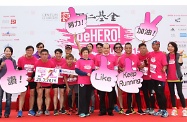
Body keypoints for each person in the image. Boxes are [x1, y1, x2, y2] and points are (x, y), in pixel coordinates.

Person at [118, 42, 145, 115]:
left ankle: (139, 109)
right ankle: (129, 109)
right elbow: (119, 67)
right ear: (124, 49)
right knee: (129, 94)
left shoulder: (135, 56)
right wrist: (122, 69)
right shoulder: (122, 57)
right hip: (127, 78)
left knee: (137, 93)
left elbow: (139, 66)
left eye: (129, 48)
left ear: (131, 48)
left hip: (136, 78)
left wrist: (145, 63)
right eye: (126, 48)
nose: (128, 49)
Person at [95, 43, 117, 116]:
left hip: (110, 80)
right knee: (102, 96)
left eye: (107, 48)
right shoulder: (98, 57)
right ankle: (102, 110)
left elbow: (116, 68)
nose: (106, 50)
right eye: (105, 48)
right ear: (102, 49)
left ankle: (110, 110)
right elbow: (95, 67)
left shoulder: (113, 57)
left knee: (111, 96)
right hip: (101, 80)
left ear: (109, 49)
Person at [32, 49, 55, 116]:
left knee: (47, 95)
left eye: (46, 54)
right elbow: (35, 73)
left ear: (48, 55)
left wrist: (51, 81)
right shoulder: (37, 62)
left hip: (48, 82)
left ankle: (47, 110)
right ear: (40, 55)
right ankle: (39, 110)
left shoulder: (51, 63)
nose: (44, 56)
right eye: (43, 54)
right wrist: (38, 82)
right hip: (40, 82)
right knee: (39, 95)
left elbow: (53, 73)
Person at [166, 42, 187, 116]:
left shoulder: (178, 55)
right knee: (172, 94)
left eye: (172, 46)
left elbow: (180, 63)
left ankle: (184, 109)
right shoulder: (167, 56)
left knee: (180, 93)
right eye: (169, 46)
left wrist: (181, 55)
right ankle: (174, 109)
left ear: (175, 47)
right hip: (169, 78)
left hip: (178, 77)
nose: (170, 48)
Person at [149, 40, 168, 117]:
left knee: (161, 93)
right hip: (153, 77)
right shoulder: (150, 54)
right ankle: (160, 109)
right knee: (156, 94)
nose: (154, 46)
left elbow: (165, 65)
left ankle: (165, 110)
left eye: (156, 45)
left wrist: (164, 68)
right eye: (153, 45)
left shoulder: (162, 54)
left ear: (159, 46)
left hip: (160, 78)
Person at [17, 46, 37, 117]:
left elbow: (36, 70)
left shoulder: (35, 59)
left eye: (31, 50)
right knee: (23, 94)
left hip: (32, 80)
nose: (29, 52)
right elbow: (19, 69)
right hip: (23, 79)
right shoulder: (20, 59)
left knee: (32, 94)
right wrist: (24, 77)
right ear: (26, 51)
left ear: (33, 51)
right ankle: (20, 110)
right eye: (28, 50)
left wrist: (31, 77)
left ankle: (31, 110)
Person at [75, 47, 95, 118]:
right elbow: (77, 71)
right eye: (84, 52)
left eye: (86, 52)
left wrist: (92, 74)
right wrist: (85, 74)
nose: (85, 54)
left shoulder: (91, 61)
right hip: (82, 82)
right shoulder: (79, 61)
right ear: (81, 54)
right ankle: (81, 112)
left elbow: (93, 70)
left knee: (88, 97)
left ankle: (86, 111)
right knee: (82, 97)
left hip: (89, 82)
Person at [137, 43, 155, 115]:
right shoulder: (137, 56)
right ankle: (148, 107)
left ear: (146, 49)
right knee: (145, 93)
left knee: (151, 93)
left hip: (150, 78)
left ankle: (152, 108)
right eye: (141, 48)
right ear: (139, 49)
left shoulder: (150, 55)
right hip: (142, 78)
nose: (143, 50)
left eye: (144, 48)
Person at [0, 46, 17, 118]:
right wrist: (1, 66)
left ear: (11, 53)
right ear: (4, 52)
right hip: (1, 81)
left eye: (9, 51)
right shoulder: (1, 60)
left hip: (9, 81)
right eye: (6, 51)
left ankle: (7, 113)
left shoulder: (13, 61)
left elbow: (14, 71)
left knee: (8, 98)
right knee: (0, 97)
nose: (7, 52)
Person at [50, 49, 66, 115]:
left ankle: (61, 108)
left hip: (62, 80)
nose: (58, 55)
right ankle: (55, 109)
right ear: (55, 54)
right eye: (57, 53)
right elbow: (49, 69)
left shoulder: (64, 60)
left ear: (62, 54)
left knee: (62, 94)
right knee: (55, 93)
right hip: (54, 80)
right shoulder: (51, 60)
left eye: (59, 53)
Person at [113, 43, 123, 113]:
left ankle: (129, 107)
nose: (118, 49)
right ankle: (120, 107)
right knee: (118, 92)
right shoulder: (113, 57)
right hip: (115, 77)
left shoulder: (125, 56)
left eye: (119, 47)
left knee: (128, 92)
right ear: (114, 49)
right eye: (116, 48)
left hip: (125, 76)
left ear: (122, 48)